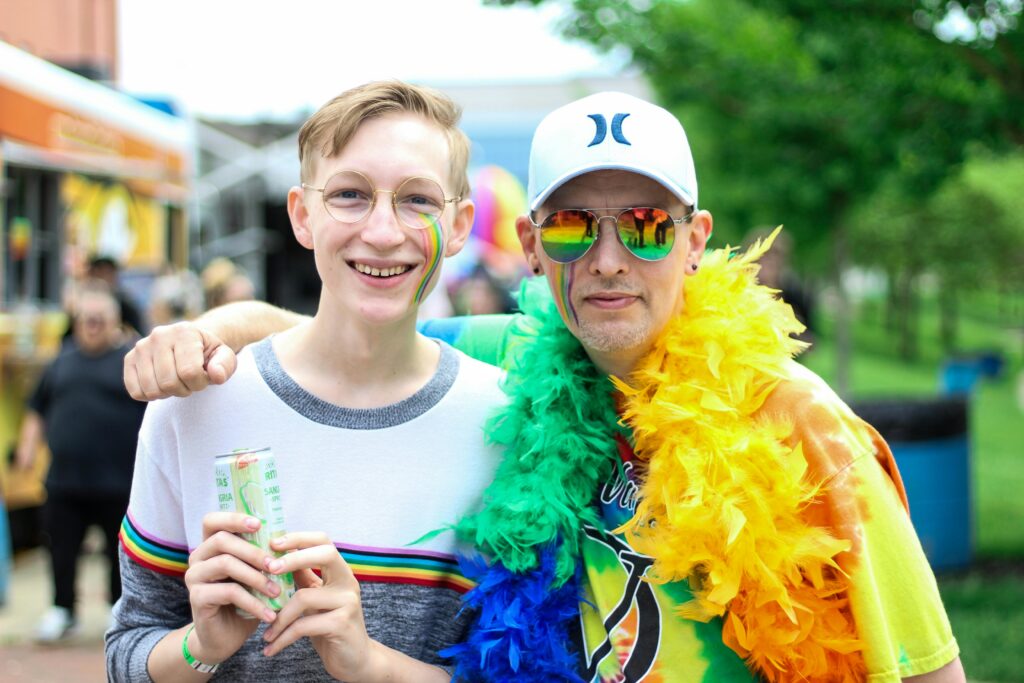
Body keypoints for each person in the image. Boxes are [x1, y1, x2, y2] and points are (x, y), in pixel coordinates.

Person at [123, 92, 964, 682]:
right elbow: (353, 322)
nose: (606, 260)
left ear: (695, 238)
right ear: (529, 242)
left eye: (644, 225)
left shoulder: (802, 422)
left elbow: (930, 670)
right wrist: (207, 332)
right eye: (571, 226)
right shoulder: (523, 363)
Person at [106, 81, 505, 681]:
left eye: (418, 200)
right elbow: (125, 655)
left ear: (458, 226)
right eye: (349, 194)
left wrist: (371, 663)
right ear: (302, 214)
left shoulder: (504, 421)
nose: (383, 231)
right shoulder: (194, 405)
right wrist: (201, 646)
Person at [16, 283, 147, 643]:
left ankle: (117, 610)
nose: (93, 325)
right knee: (60, 549)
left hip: (118, 481)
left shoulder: (130, 361)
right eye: (87, 319)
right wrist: (28, 448)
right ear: (76, 322)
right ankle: (62, 610)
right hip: (64, 481)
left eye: (100, 319)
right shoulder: (59, 362)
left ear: (114, 322)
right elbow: (36, 408)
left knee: (119, 554)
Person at [88, 255, 147, 335]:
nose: (103, 279)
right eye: (99, 273)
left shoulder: (126, 304)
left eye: (107, 273)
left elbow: (139, 334)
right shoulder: (80, 303)